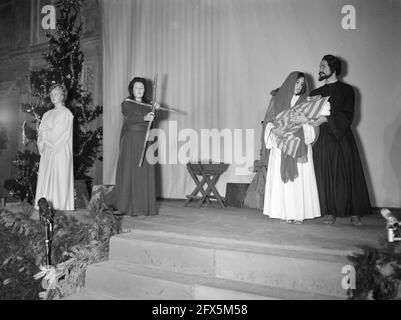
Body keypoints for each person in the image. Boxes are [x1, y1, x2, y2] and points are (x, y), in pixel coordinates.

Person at [309, 55, 371, 226]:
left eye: (323, 66)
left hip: (342, 138)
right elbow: (310, 116)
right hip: (322, 140)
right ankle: (328, 211)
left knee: (348, 173)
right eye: (320, 65)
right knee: (324, 174)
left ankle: (354, 212)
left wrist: (326, 120)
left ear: (333, 69)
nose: (320, 69)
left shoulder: (347, 90)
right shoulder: (314, 94)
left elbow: (347, 115)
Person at [263, 72, 330, 224]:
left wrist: (305, 120)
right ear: (289, 82)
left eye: (302, 84)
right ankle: (284, 213)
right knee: (283, 182)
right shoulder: (277, 100)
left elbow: (314, 127)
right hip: (281, 146)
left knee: (299, 181)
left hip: (299, 146)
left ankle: (299, 214)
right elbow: (269, 121)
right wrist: (274, 130)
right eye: (297, 83)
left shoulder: (307, 102)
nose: (299, 87)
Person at [105, 77, 159, 216]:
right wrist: (144, 118)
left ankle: (143, 207)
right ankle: (126, 205)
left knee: (143, 173)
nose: (139, 90)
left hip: (146, 140)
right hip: (131, 142)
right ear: (132, 89)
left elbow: (154, 120)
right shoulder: (127, 103)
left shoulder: (149, 105)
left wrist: (156, 110)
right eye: (136, 88)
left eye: (141, 88)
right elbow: (129, 117)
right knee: (130, 172)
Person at [34, 84, 74, 210]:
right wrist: (44, 133)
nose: (53, 96)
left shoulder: (66, 113)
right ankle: (44, 206)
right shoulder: (47, 114)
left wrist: (45, 131)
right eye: (51, 94)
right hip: (47, 151)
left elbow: (60, 134)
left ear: (63, 96)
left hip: (60, 151)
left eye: (56, 94)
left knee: (59, 177)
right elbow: (41, 132)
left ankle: (59, 206)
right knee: (46, 176)